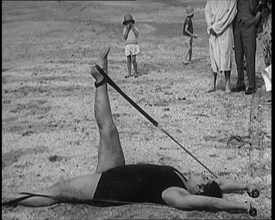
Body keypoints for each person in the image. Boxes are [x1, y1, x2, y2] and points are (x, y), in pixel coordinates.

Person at [2, 48, 259, 217]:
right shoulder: (184, 179)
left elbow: (210, 203)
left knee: (57, 191)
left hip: (106, 188)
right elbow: (221, 185)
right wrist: (245, 186)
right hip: (117, 170)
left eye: (202, 177)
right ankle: (100, 77)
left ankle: (10, 198)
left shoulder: (177, 194)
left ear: (199, 189)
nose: (201, 173)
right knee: (109, 128)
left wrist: (240, 207)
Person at [205, 0, 237, 93]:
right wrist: (211, 26)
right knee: (213, 57)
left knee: (226, 56)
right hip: (213, 32)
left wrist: (217, 27)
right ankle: (213, 83)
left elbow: (231, 14)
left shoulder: (232, 1)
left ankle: (227, 84)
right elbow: (207, 12)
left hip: (225, 30)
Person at [232, 0, 262, 95]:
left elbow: (262, 4)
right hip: (237, 25)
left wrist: (256, 20)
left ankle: (252, 85)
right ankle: (240, 82)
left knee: (249, 57)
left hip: (249, 25)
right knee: (238, 56)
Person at [122, 13, 140, 78]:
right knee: (128, 60)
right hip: (128, 45)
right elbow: (125, 37)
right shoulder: (125, 29)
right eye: (127, 23)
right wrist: (127, 29)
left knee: (133, 60)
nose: (128, 24)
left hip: (134, 45)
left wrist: (133, 28)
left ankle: (136, 72)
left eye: (129, 22)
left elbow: (137, 34)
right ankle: (129, 73)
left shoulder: (135, 28)